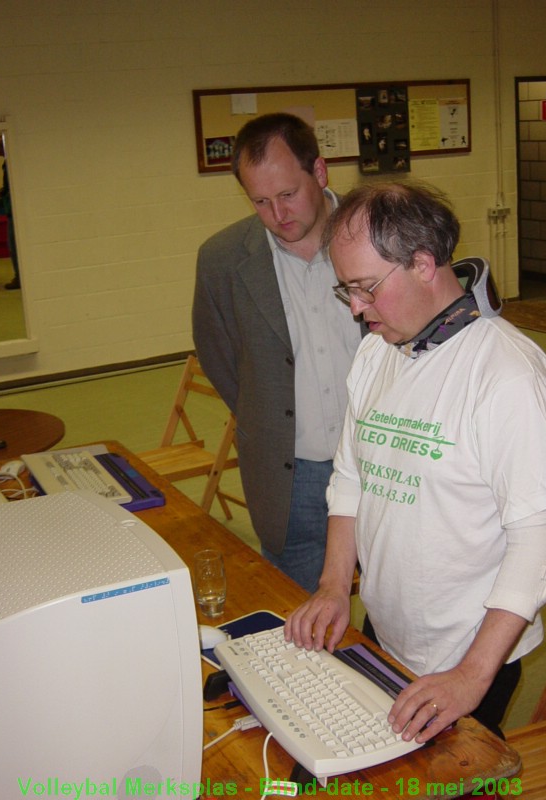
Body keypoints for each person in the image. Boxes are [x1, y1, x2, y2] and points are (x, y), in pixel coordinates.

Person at [285, 180, 546, 741]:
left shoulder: (507, 374)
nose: (358, 311)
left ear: (422, 264)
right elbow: (351, 478)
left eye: (365, 288)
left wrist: (470, 675)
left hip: (470, 651)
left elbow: (538, 538)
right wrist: (334, 585)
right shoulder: (377, 352)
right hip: (386, 628)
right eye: (347, 292)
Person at [192, 113, 364, 593]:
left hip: (387, 466)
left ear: (320, 172)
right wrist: (269, 420)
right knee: (303, 620)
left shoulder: (380, 232)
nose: (277, 214)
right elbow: (220, 358)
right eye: (261, 201)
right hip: (293, 478)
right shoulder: (222, 259)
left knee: (401, 618)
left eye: (288, 194)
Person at [0, 134, 20, 290]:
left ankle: (19, 277)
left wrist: (2, 192)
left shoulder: (9, 164)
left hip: (12, 212)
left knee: (13, 246)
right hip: (11, 210)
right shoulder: (11, 163)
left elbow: (11, 188)